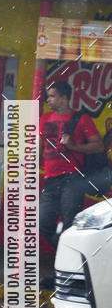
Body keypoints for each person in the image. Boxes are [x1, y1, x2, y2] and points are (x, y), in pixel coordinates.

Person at [39, 80, 104, 254]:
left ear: (64, 97)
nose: (48, 100)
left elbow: (98, 146)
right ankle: (65, 252)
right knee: (42, 220)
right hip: (50, 179)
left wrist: (74, 146)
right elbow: (38, 147)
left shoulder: (81, 119)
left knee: (70, 223)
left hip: (73, 179)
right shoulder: (45, 119)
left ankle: (66, 257)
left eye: (52, 96)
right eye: (48, 96)